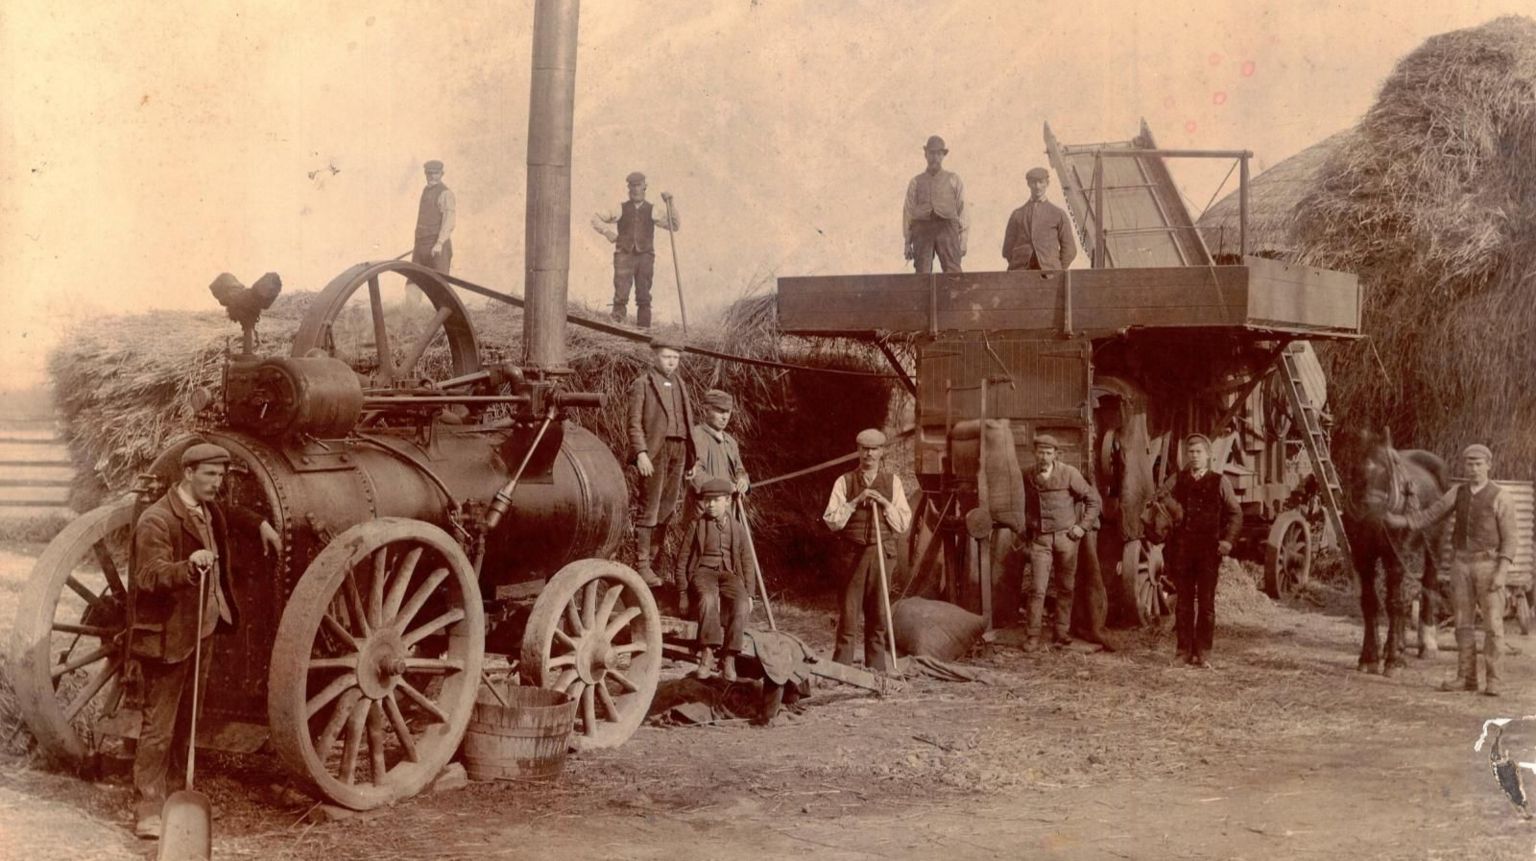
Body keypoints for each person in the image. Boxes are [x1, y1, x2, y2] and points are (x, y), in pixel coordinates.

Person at [129, 443, 280, 839]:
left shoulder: (208, 510)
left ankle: (178, 798)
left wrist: (259, 523)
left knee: (188, 721)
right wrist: (188, 568)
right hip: (168, 635)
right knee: (159, 725)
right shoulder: (156, 520)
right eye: (210, 475)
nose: (218, 482)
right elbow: (148, 575)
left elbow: (228, 514)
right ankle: (148, 806)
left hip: (204, 627)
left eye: (222, 474)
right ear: (188, 473)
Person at [1386, 444, 1519, 696]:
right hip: (1461, 565)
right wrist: (1402, 521)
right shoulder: (1457, 493)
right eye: (1469, 464)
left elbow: (1511, 539)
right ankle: (1466, 677)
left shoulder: (1502, 496)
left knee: (1493, 626)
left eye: (1479, 464)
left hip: (1488, 565)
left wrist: (1502, 571)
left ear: (1489, 465)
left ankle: (1494, 680)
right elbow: (1431, 515)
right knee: (1462, 624)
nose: (1474, 469)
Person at [823, 429, 912, 671]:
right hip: (852, 554)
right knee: (849, 613)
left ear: (882, 452)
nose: (869, 454)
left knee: (879, 613)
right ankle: (841, 669)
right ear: (858, 451)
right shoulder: (844, 481)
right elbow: (831, 520)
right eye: (864, 449)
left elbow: (903, 523)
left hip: (882, 553)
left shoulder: (892, 483)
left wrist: (884, 503)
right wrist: (855, 501)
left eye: (874, 449)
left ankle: (877, 668)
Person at [1163, 434, 1242, 668]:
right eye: (1191, 452)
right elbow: (1160, 497)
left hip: (1209, 552)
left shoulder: (1220, 482)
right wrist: (1171, 506)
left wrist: (1227, 541)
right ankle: (1183, 651)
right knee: (1184, 603)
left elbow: (1236, 514)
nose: (1194, 457)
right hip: (1183, 551)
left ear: (1208, 456)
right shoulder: (1177, 480)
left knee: (1206, 604)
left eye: (1199, 452)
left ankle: (1204, 652)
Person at [626, 335, 697, 586]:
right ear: (654, 357)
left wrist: (691, 459)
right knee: (650, 508)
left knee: (666, 510)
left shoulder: (680, 384)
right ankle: (641, 565)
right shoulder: (642, 384)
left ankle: (654, 565)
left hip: (679, 450)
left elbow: (687, 423)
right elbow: (634, 423)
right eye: (667, 357)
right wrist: (641, 453)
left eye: (676, 358)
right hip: (656, 452)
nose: (671, 362)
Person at [1021, 435, 1102, 651]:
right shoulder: (1028, 474)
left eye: (1048, 453)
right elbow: (1021, 502)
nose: (1044, 457)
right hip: (1041, 540)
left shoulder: (1069, 474)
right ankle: (1033, 636)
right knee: (1037, 589)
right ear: (1034, 453)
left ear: (1056, 454)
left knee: (1065, 587)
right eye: (1040, 452)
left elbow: (1093, 500)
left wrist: (1082, 527)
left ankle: (1061, 632)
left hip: (1067, 539)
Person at [675, 477, 755, 681]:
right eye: (707, 500)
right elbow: (682, 559)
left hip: (728, 573)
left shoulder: (737, 528)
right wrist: (683, 592)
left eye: (715, 500)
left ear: (727, 500)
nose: (710, 505)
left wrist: (750, 594)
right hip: (703, 572)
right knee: (708, 599)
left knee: (742, 604)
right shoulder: (697, 525)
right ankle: (707, 654)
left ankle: (729, 658)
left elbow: (747, 562)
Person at [591, 171, 680, 327]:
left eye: (639, 185)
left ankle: (643, 334)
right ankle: (618, 330)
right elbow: (595, 218)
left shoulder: (653, 210)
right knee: (620, 295)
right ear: (628, 188)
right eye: (632, 186)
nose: (635, 189)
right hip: (623, 256)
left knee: (644, 296)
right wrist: (607, 232)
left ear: (645, 187)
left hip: (645, 257)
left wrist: (670, 203)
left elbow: (675, 225)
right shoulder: (620, 208)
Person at [902, 135, 969, 274]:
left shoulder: (953, 179)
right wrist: (907, 243)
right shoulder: (915, 182)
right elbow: (908, 212)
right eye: (932, 153)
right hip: (922, 230)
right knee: (922, 273)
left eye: (939, 153)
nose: (935, 157)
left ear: (943, 156)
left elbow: (963, 210)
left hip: (947, 229)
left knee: (953, 272)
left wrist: (963, 240)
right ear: (925, 155)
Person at [1003, 167, 1077, 271]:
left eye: (1041, 182)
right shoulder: (1017, 214)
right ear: (1028, 184)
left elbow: (1070, 250)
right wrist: (1019, 266)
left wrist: (1056, 270)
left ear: (1047, 183)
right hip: (1021, 275)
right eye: (1033, 182)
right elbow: (1007, 249)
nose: (1037, 186)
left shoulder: (1058, 214)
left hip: (1049, 276)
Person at [413, 160, 456, 276]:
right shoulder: (425, 190)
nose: (432, 176)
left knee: (439, 285)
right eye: (429, 173)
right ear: (425, 174)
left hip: (437, 247)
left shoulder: (446, 194)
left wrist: (440, 243)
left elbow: (449, 221)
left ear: (442, 174)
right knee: (413, 284)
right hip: (421, 245)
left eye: (435, 173)